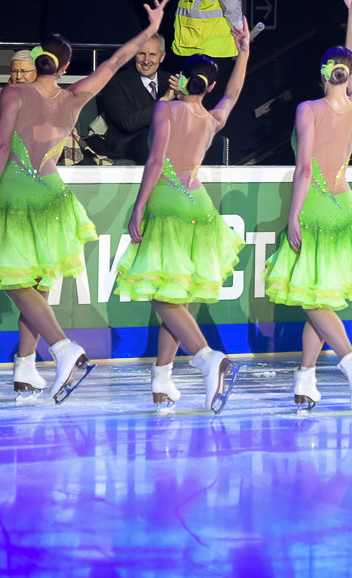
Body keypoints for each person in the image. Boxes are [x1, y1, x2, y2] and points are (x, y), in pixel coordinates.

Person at [0, 0, 169, 403]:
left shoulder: (13, 95)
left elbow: (1, 145)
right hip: (54, 196)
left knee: (16, 280)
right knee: (37, 282)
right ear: (62, 66)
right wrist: (149, 29)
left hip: (18, 194)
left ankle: (62, 347)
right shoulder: (73, 96)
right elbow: (114, 63)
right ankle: (24, 369)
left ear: (39, 58)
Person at [263, 0, 352, 413]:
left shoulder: (308, 109)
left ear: (321, 74)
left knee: (310, 298)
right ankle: (305, 379)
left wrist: (293, 216)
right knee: (318, 297)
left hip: (315, 205)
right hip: (346, 208)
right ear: (348, 77)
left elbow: (303, 167)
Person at [116, 24, 251, 413]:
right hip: (201, 206)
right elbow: (234, 93)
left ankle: (208, 359)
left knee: (163, 297)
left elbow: (157, 160)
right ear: (207, 88)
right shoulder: (212, 119)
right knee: (179, 296)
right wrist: (243, 53)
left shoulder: (166, 108)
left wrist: (139, 205)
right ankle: (161, 381)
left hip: (169, 204)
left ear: (183, 79)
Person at [100, 34, 175, 164]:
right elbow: (128, 123)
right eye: (141, 54)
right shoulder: (115, 83)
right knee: (149, 139)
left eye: (152, 55)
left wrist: (187, 97)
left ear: (162, 57)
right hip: (129, 144)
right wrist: (163, 101)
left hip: (168, 140)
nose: (146, 61)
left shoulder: (171, 81)